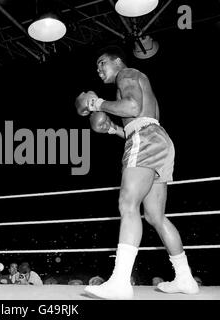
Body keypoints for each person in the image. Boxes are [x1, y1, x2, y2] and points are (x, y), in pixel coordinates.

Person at [76, 46, 199, 299]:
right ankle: (185, 279)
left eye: (102, 63)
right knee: (156, 216)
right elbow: (137, 121)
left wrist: (99, 103)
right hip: (157, 139)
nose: (98, 70)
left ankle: (120, 282)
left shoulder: (127, 74)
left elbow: (132, 108)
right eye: (97, 66)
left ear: (117, 61)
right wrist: (111, 129)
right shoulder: (137, 81)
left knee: (127, 204)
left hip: (145, 139)